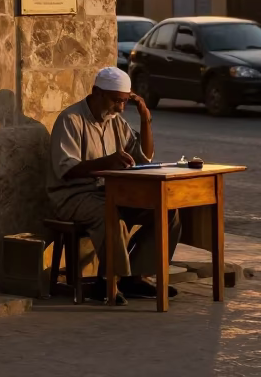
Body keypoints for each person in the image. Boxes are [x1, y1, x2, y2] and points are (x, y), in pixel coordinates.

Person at [47, 66, 181, 304]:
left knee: (166, 211)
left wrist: (145, 119)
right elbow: (66, 170)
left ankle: (134, 277)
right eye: (116, 101)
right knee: (109, 212)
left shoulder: (116, 121)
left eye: (125, 102)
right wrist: (106, 162)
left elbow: (144, 157)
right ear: (97, 92)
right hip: (73, 196)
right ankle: (109, 282)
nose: (120, 108)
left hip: (109, 192)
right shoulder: (71, 119)